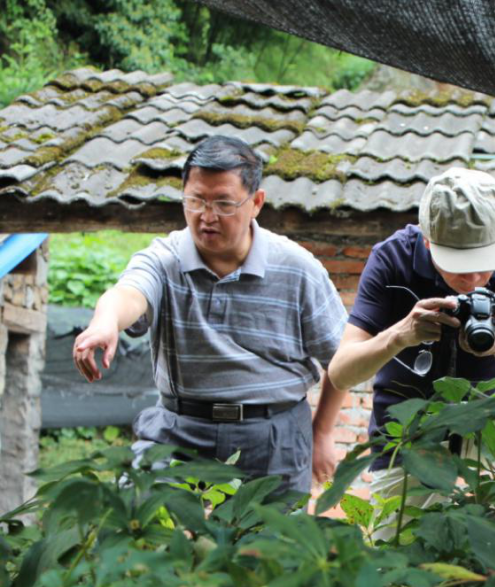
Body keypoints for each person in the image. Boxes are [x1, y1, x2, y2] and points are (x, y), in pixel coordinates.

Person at [73, 135, 348, 498]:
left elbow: (343, 359)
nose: (207, 217)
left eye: (223, 203)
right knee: (138, 529)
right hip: (179, 428)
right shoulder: (165, 258)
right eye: (195, 201)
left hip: (273, 435)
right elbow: (129, 292)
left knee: (268, 551)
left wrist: (323, 432)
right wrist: (105, 322)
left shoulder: (298, 269)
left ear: (256, 203)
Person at [328, 167, 495, 539]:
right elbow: (340, 373)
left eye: (485, 264)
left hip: (493, 439)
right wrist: (399, 336)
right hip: (406, 444)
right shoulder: (392, 258)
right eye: (461, 268)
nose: (475, 279)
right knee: (397, 571)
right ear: (428, 242)